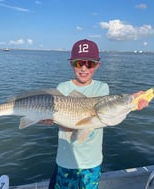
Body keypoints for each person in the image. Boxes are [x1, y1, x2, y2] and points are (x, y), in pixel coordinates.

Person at [47, 39, 109, 189]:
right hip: (65, 160)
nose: (83, 68)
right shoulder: (62, 88)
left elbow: (103, 117)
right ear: (71, 63)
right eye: (78, 63)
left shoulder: (102, 88)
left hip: (92, 161)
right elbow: (59, 119)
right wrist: (47, 119)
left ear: (97, 65)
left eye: (90, 64)